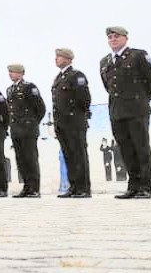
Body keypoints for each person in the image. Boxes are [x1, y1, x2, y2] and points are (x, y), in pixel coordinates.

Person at [100, 26, 151, 199]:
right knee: (125, 150)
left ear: (125, 38)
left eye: (116, 36)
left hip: (136, 110)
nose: (113, 39)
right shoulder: (104, 62)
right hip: (117, 112)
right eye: (110, 37)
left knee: (141, 148)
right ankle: (133, 186)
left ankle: (146, 187)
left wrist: (140, 99)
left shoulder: (139, 55)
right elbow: (108, 87)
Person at [51, 48, 92, 198]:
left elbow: (84, 99)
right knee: (68, 155)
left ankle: (83, 188)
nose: (56, 59)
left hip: (74, 122)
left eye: (59, 56)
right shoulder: (58, 78)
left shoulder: (76, 75)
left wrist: (77, 116)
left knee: (78, 154)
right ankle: (73, 187)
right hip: (61, 123)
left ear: (68, 59)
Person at [6, 64, 46, 198]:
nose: (11, 74)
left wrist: (32, 123)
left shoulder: (29, 87)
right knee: (21, 160)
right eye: (9, 72)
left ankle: (34, 188)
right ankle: (26, 187)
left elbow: (40, 108)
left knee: (31, 159)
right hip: (16, 130)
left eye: (13, 72)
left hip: (28, 130)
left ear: (21, 73)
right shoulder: (10, 89)